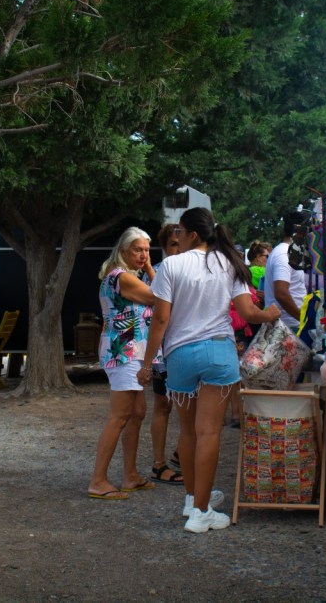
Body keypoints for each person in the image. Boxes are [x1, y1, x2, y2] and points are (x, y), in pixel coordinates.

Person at [142, 208, 280, 533]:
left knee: (188, 432)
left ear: (191, 234)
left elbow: (161, 320)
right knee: (209, 433)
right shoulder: (229, 262)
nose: (176, 238)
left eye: (179, 232)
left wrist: (147, 363)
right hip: (219, 353)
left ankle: (193, 500)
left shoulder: (171, 265)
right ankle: (201, 511)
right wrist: (269, 313)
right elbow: (247, 312)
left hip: (179, 356)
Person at [87, 227, 158, 500]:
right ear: (124, 250)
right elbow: (160, 296)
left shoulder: (122, 275)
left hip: (130, 350)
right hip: (123, 351)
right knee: (119, 417)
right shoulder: (121, 277)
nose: (143, 255)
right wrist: (152, 269)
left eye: (147, 250)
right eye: (138, 250)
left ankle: (130, 475)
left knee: (137, 412)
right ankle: (98, 480)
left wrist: (149, 266)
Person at [148, 224, 182, 485]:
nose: (178, 249)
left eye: (182, 243)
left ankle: (182, 453)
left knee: (190, 404)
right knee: (164, 405)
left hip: (187, 347)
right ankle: (159, 464)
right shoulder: (159, 272)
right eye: (172, 244)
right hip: (163, 351)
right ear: (164, 247)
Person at [264, 211, 309, 331]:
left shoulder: (287, 252)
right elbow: (281, 293)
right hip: (287, 328)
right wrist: (302, 318)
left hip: (289, 325)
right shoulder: (284, 254)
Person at [246, 240, 272, 304]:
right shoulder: (257, 271)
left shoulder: (247, 270)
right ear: (258, 257)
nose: (269, 258)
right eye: (267, 256)